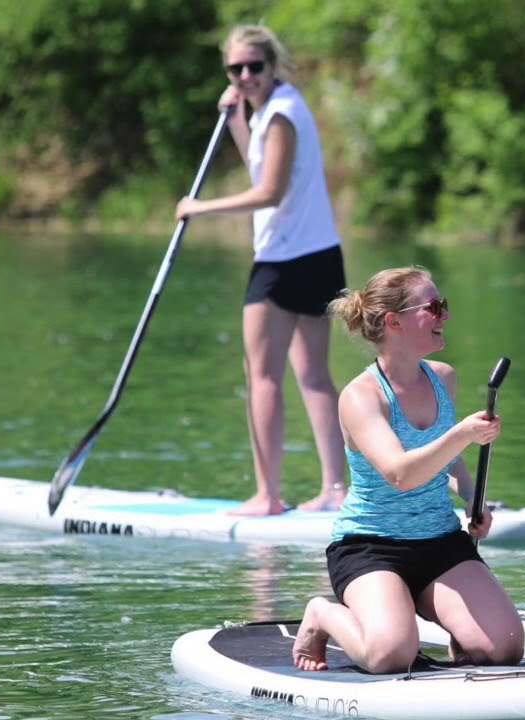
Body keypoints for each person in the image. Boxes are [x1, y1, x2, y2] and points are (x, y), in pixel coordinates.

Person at [291, 266, 525, 674]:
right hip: (370, 546)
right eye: (434, 307)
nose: (445, 316)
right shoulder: (361, 397)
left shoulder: (443, 379)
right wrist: (464, 433)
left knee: (503, 649)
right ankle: (322, 615)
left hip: (439, 541)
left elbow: (449, 462)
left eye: (444, 305)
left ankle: (422, 602)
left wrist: (472, 498)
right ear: (394, 322)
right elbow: (400, 474)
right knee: (390, 656)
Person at [175, 25, 347, 516]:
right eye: (236, 69)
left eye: (255, 66)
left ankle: (269, 497)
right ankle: (334, 490)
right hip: (318, 254)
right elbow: (263, 169)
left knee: (264, 377)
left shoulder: (281, 117)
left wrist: (199, 209)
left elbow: (269, 192)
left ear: (274, 65)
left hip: (283, 260)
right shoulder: (278, 108)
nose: (246, 75)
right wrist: (235, 120)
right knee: (312, 375)